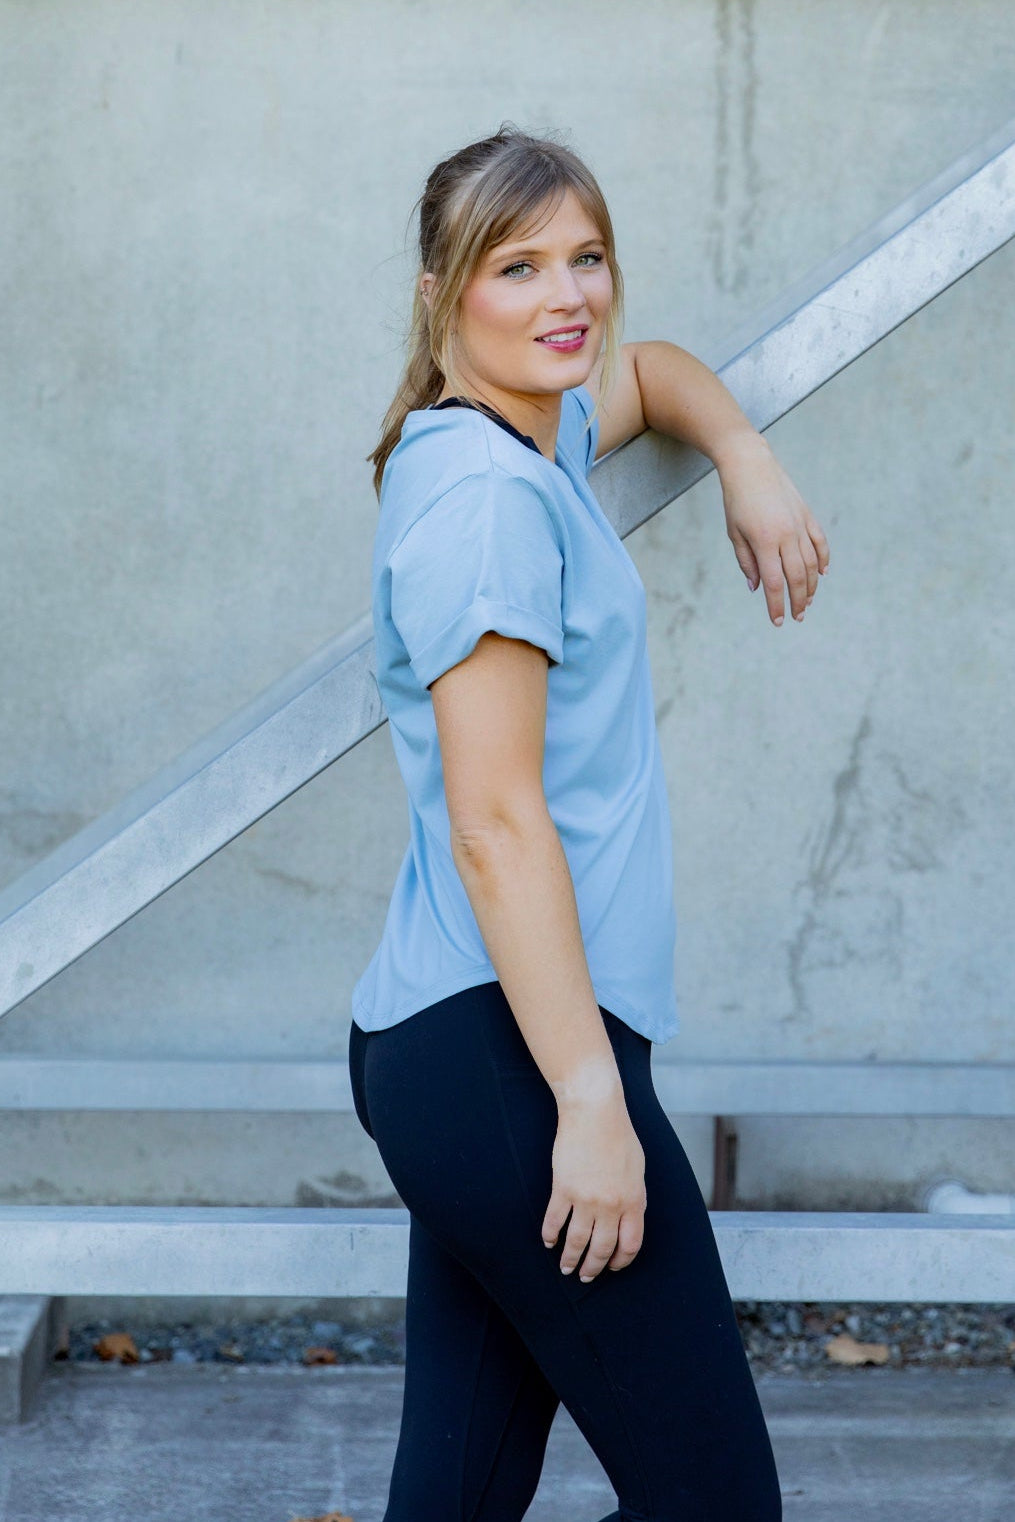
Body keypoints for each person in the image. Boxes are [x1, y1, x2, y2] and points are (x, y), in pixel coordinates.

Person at [348, 125, 828, 1522]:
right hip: (512, 1056)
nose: (571, 296)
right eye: (520, 267)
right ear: (446, 292)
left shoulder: (513, 431)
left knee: (456, 1495)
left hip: (480, 1045)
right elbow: (498, 823)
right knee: (715, 1502)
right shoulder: (489, 502)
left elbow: (651, 374)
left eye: (588, 256)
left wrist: (741, 448)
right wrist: (590, 1100)